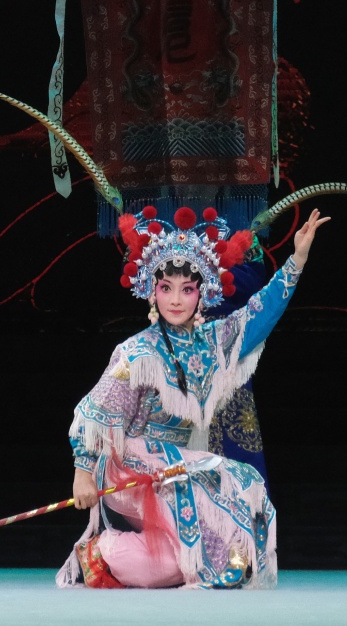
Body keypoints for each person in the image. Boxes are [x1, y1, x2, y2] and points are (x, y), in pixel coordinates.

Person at [56, 205, 329, 589]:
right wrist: (82, 474)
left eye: (187, 289)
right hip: (128, 467)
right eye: (166, 288)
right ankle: (207, 560)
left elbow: (259, 313)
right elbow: (95, 415)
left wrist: (296, 259)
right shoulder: (136, 354)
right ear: (152, 292)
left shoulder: (214, 342)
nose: (175, 300)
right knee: (189, 483)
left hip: (175, 465)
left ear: (202, 293)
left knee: (239, 482)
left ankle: (106, 553)